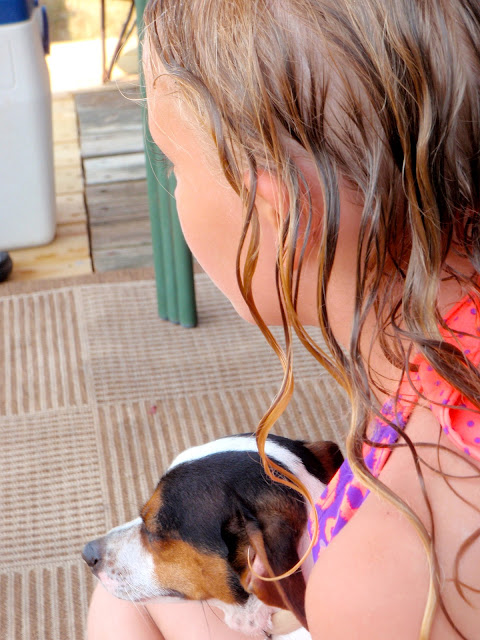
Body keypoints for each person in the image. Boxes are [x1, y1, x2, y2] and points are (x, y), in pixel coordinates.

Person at [87, 1, 480, 638]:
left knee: (124, 603)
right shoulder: (439, 347)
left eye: (174, 167)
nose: (175, 190)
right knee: (128, 595)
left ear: (282, 214)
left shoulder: (381, 572)